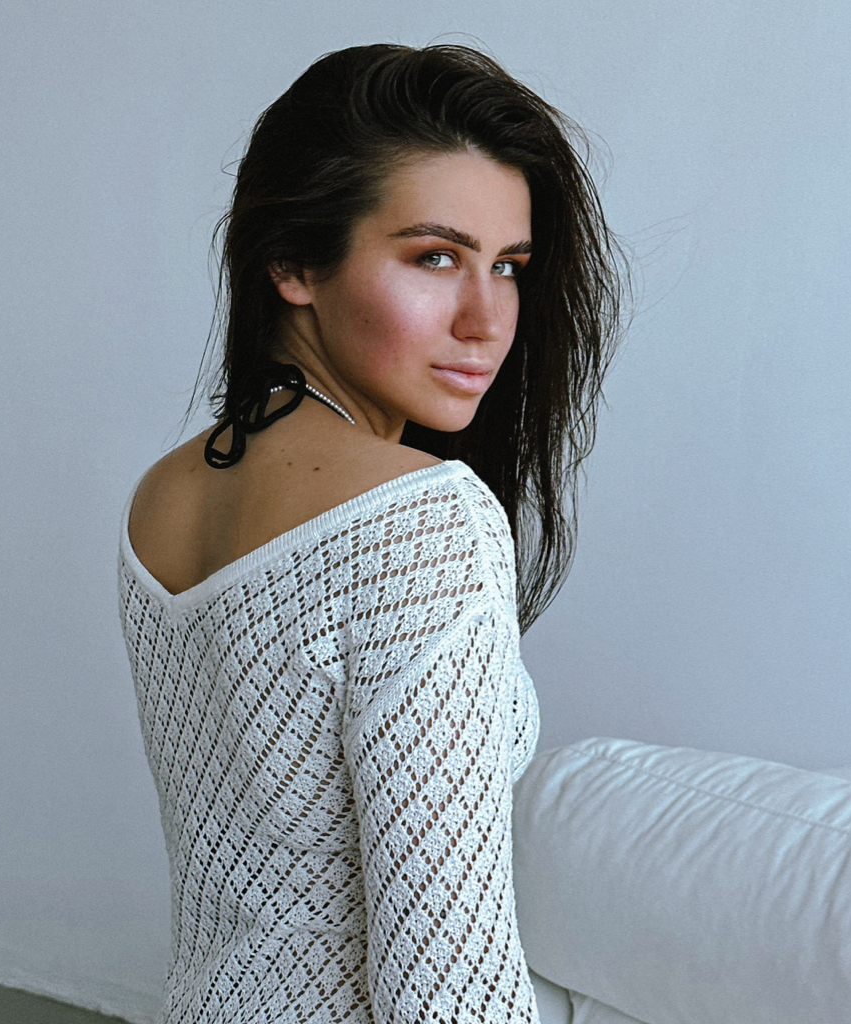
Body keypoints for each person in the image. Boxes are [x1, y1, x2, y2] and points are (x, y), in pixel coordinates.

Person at [118, 43, 626, 1024]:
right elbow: (449, 989)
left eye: (508, 266)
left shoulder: (165, 492)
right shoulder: (425, 522)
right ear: (293, 261)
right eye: (434, 257)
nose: (486, 318)